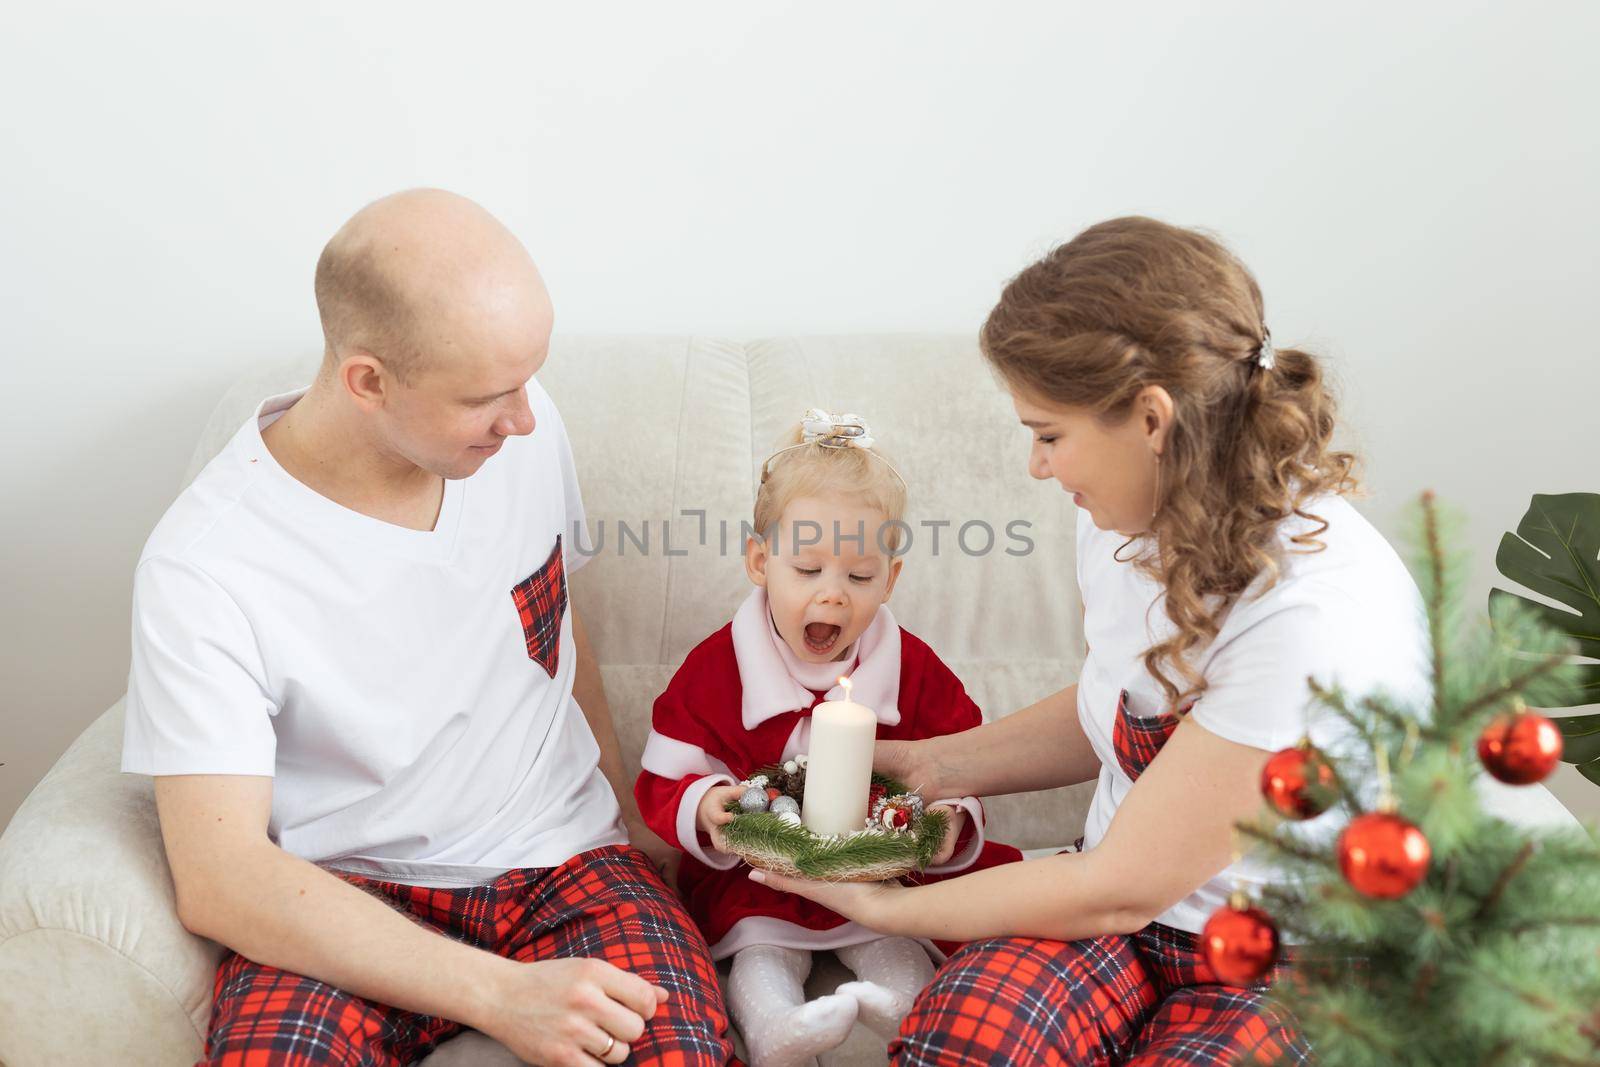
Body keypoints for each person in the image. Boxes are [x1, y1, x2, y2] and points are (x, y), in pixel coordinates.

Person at [755, 217, 1430, 1065]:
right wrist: (937, 764)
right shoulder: (1122, 517)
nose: (1039, 467)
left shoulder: (1310, 614)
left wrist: (882, 908)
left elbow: (1113, 891)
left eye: (1049, 434)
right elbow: (1117, 708)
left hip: (1281, 957)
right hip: (1131, 922)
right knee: (959, 1043)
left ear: (1152, 419)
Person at [121, 189, 736, 1066]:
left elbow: (554, 623)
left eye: (528, 382)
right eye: (489, 396)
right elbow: (223, 880)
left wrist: (634, 820)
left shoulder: (522, 426)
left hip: (568, 862)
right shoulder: (207, 563)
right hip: (345, 897)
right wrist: (500, 994)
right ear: (367, 381)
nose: (524, 418)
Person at [634, 410, 1022, 1066]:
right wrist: (704, 805)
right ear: (761, 561)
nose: (833, 596)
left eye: (859, 577)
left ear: (891, 578)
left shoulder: (913, 668)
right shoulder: (717, 667)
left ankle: (899, 1005)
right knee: (758, 947)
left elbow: (965, 757)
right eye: (808, 569)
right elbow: (665, 770)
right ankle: (776, 1024)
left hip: (875, 873)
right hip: (761, 878)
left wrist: (954, 817)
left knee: (894, 932)